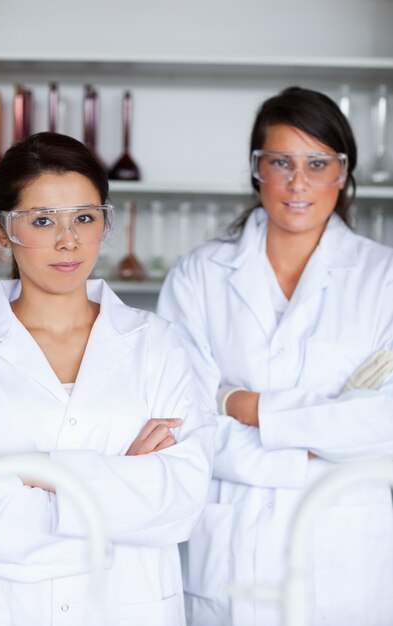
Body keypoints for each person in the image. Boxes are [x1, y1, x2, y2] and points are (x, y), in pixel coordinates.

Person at [157, 86, 393, 626]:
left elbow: (385, 424)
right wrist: (318, 441)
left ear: (343, 172)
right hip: (231, 552)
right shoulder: (200, 275)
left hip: (345, 555)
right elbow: (182, 421)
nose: (298, 181)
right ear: (256, 169)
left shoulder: (385, 278)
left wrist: (247, 405)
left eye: (317, 163)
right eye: (280, 161)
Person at [0, 131, 214, 626]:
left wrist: (38, 469)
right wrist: (121, 481)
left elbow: (181, 502)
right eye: (43, 220)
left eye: (85, 218)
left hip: (132, 609)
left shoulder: (157, 343)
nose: (69, 240)